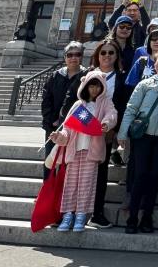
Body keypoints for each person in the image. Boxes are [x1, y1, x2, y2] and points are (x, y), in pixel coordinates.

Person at [58, 39, 129, 228]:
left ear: (116, 56)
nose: (107, 56)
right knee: (74, 176)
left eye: (111, 53)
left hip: (102, 134)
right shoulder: (86, 75)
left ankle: (95, 212)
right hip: (79, 135)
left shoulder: (122, 77)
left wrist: (112, 129)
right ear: (97, 55)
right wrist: (70, 125)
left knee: (99, 174)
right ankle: (68, 213)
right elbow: (71, 102)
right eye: (103, 52)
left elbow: (120, 107)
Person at [117, 48, 158, 234]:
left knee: (154, 177)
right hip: (142, 137)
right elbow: (131, 109)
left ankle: (147, 217)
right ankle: (133, 217)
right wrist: (122, 133)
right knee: (140, 175)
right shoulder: (145, 84)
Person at [51, 71, 117, 233]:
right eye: (91, 85)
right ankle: (67, 216)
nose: (94, 89)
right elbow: (67, 130)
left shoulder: (105, 102)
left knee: (86, 185)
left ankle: (81, 216)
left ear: (103, 88)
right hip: (74, 151)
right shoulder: (77, 105)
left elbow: (112, 114)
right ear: (85, 86)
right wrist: (58, 136)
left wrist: (106, 124)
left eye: (97, 86)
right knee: (71, 185)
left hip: (91, 152)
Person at [41, 42, 87, 179]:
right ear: (65, 57)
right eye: (70, 55)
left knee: (67, 163)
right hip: (53, 126)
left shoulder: (86, 76)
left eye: (77, 54)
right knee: (50, 161)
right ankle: (47, 195)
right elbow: (46, 100)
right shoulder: (56, 76)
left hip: (74, 127)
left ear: (82, 57)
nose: (73, 58)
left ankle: (63, 196)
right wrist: (52, 120)